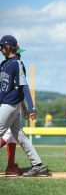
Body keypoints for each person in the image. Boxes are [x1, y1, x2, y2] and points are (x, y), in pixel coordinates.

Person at [0, 35, 48, 176]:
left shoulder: (17, 63)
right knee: (20, 135)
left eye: (2, 46)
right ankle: (37, 165)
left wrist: (31, 107)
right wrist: (25, 107)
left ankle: (37, 165)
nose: (1, 49)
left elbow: (24, 87)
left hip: (9, 104)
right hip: (9, 103)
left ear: (8, 47)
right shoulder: (4, 64)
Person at [0, 46, 29, 176]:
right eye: (18, 53)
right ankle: (10, 166)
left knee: (11, 135)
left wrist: (23, 106)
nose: (20, 56)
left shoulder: (10, 66)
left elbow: (17, 91)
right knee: (7, 135)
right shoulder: (12, 66)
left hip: (11, 103)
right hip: (6, 104)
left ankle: (11, 166)